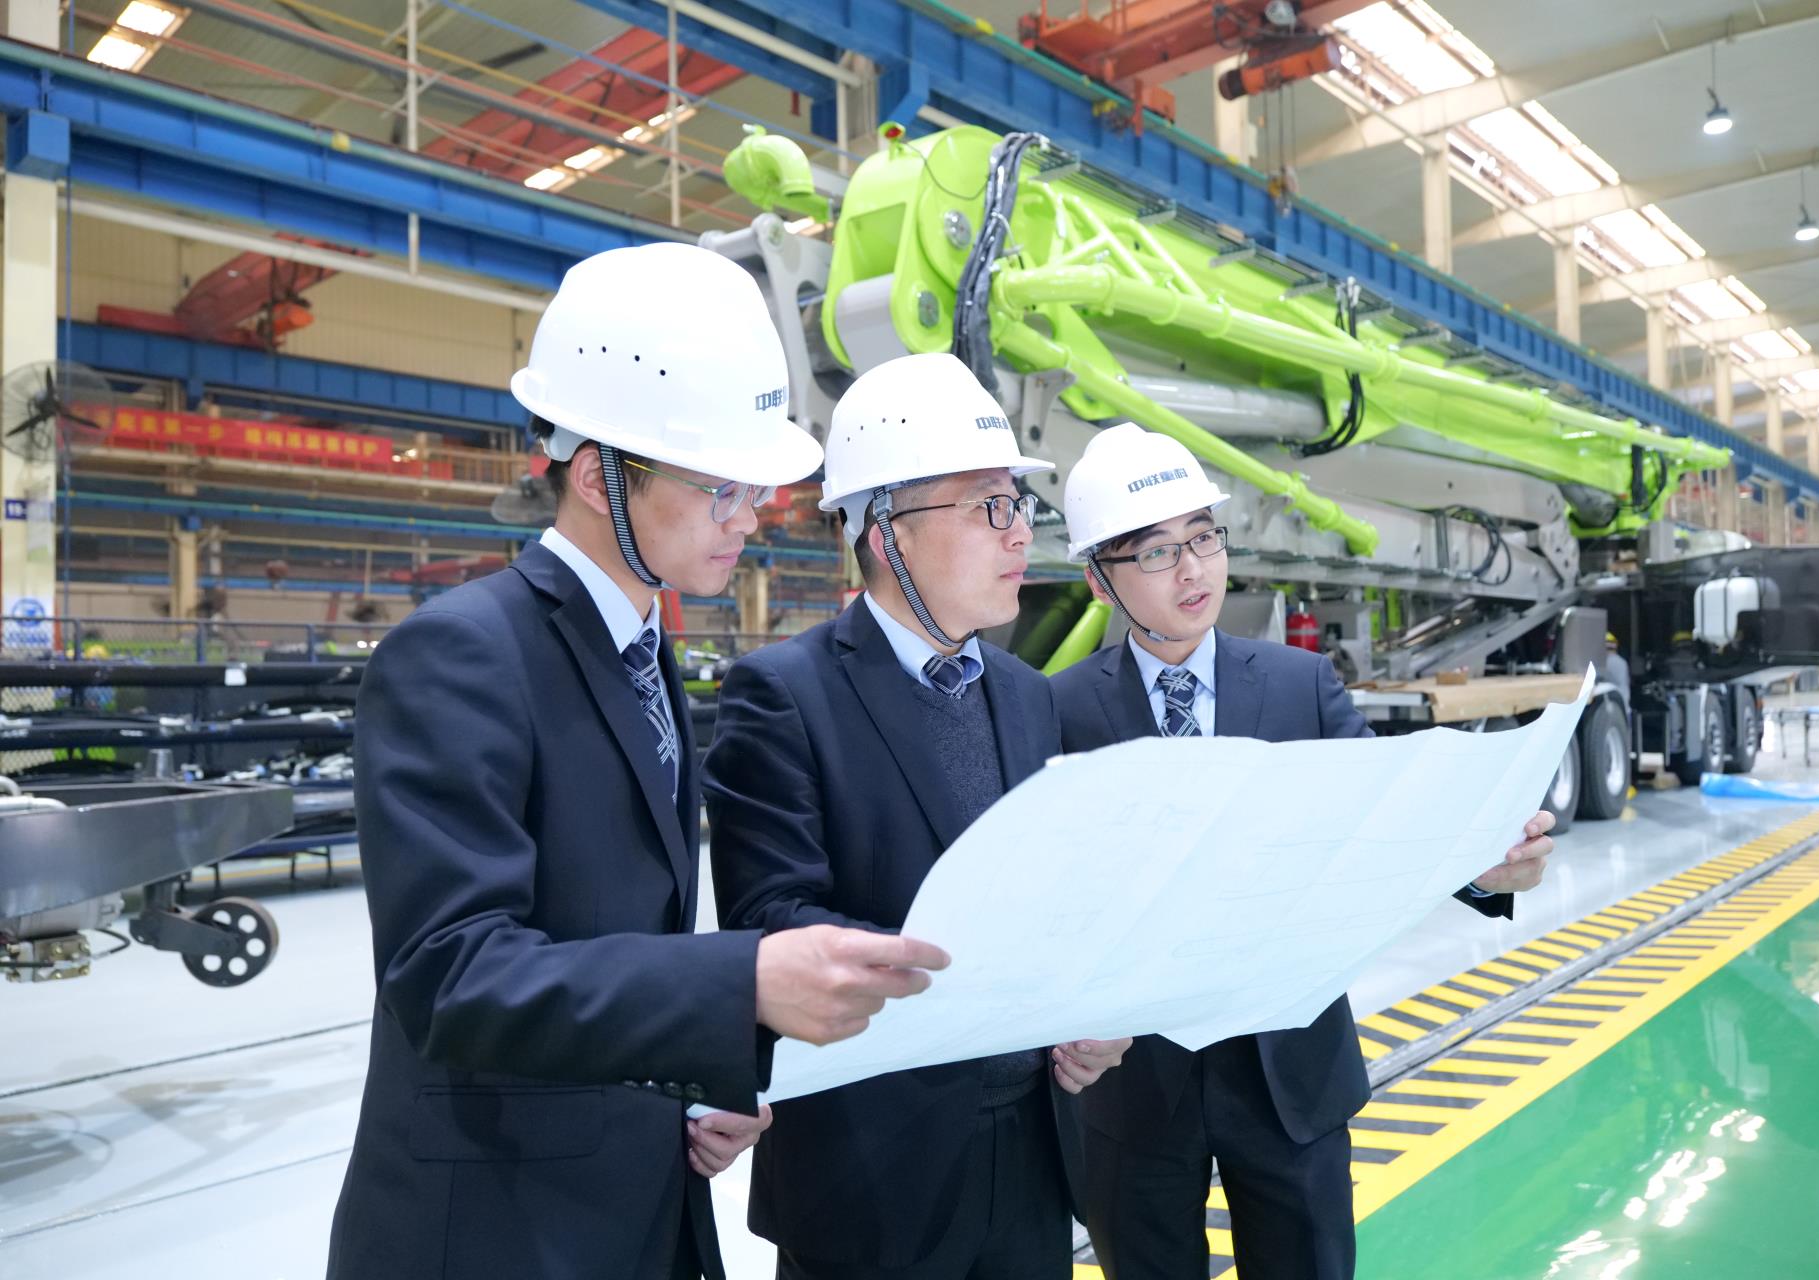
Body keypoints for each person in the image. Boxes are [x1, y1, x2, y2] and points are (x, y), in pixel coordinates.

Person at [327, 245, 950, 1280]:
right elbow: (451, 974)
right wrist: (740, 980)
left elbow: (611, 942)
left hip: (631, 1199)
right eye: (720, 488)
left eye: (754, 488)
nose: (749, 516)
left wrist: (699, 1076)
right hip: (497, 1229)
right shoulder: (462, 653)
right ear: (596, 475)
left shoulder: (642, 649)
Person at [1052, 423, 1555, 1280]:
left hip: (1286, 1075)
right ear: (1101, 578)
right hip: (1130, 1087)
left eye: (1204, 538)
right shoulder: (1058, 710)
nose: (1193, 571)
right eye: (1158, 552)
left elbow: (1389, 822)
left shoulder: (1298, 686)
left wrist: (1479, 867)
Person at [702, 351, 1131, 1279]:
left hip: (1032, 1155)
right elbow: (772, 921)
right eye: (990, 506)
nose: (1021, 532)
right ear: (887, 531)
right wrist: (972, 971)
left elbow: (1055, 893)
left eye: (1020, 504)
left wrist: (1093, 1006)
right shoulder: (784, 694)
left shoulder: (1026, 694)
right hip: (872, 1170)